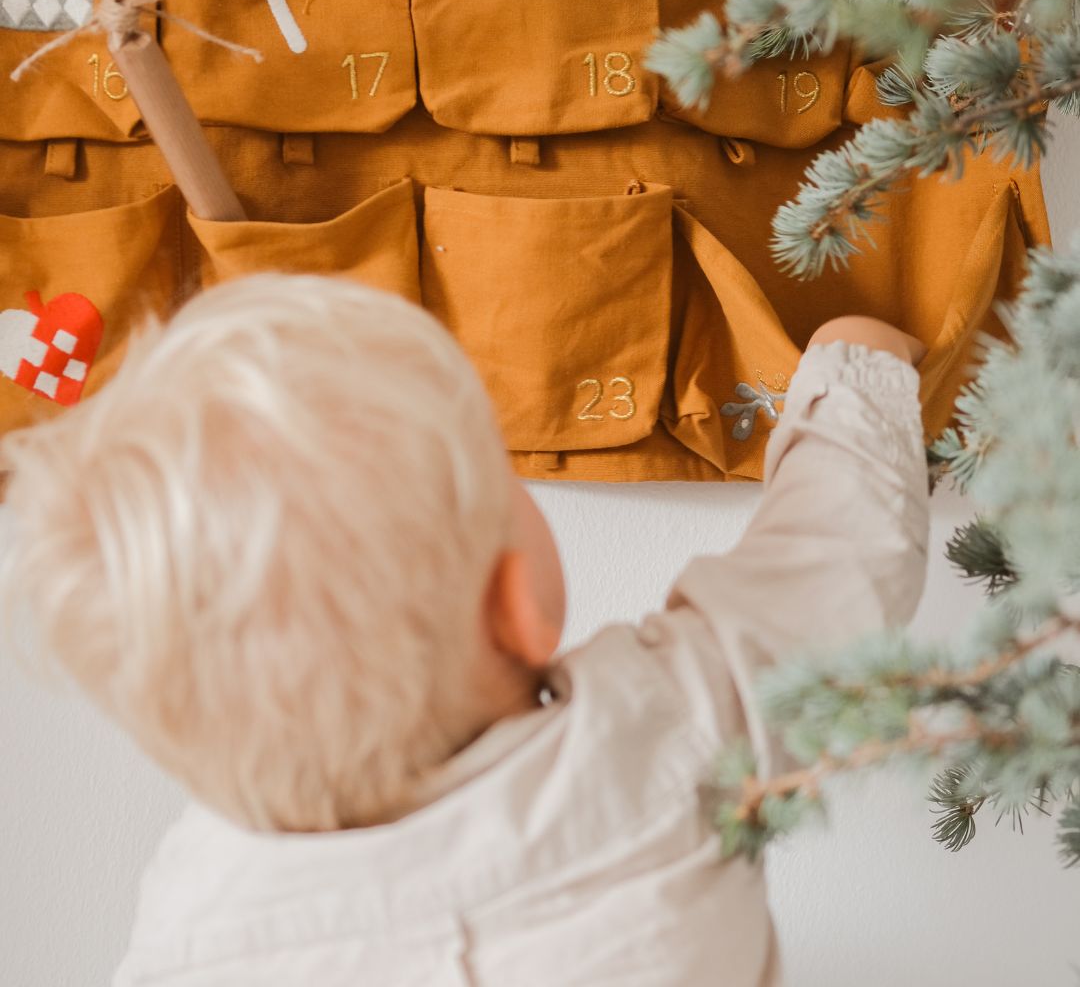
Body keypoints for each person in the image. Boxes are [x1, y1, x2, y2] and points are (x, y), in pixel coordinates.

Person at [0, 274, 930, 986]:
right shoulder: (653, 733)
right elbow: (835, 560)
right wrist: (856, 363)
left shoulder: (181, 938)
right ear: (519, 602)